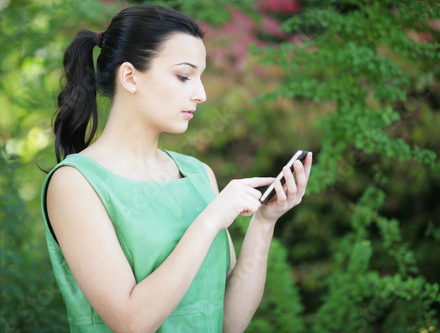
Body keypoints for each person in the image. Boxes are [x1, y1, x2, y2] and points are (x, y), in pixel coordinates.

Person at [41, 4, 312, 333]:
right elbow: (131, 322)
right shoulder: (75, 183)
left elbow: (229, 322)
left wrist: (265, 221)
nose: (201, 94)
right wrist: (210, 220)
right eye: (184, 76)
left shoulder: (198, 174)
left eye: (200, 77)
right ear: (129, 77)